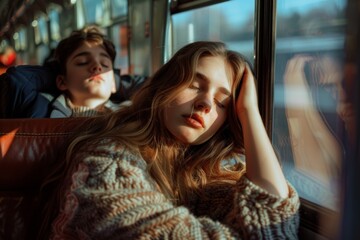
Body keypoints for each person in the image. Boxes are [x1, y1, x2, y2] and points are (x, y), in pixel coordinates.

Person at [40, 41, 300, 239]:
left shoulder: (200, 176)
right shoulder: (107, 159)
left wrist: (249, 113)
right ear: (164, 86)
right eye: (195, 85)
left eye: (222, 103)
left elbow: (274, 226)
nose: (206, 103)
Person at [46, 25, 121, 117]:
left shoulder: (131, 117)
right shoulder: (43, 117)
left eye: (104, 64)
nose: (97, 66)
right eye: (83, 62)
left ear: (113, 83)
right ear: (62, 82)